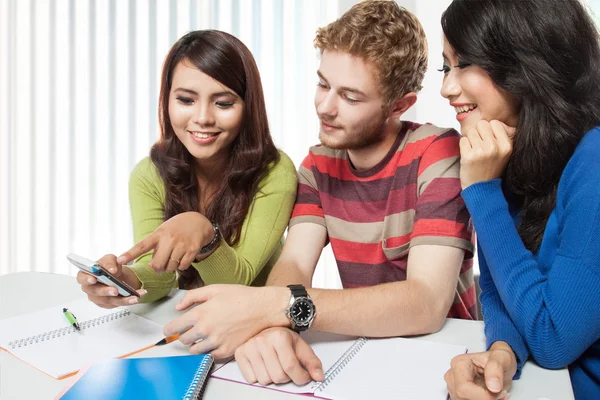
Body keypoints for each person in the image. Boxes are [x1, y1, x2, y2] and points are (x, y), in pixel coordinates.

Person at [159, 0, 475, 385]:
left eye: (350, 97)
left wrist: (277, 307)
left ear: (400, 105)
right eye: (323, 84)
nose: (325, 107)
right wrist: (270, 323)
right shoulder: (317, 164)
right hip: (368, 353)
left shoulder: (437, 153)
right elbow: (294, 263)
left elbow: (425, 304)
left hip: (447, 358)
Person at [439, 1, 600, 399]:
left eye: (465, 64)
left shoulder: (595, 159)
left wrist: (481, 193)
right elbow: (498, 290)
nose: (446, 87)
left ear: (525, 62)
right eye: (445, 66)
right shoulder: (511, 148)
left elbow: (552, 337)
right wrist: (503, 350)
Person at [76, 30, 297, 307]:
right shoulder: (149, 175)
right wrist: (124, 280)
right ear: (167, 100)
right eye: (186, 100)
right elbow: (159, 275)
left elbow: (241, 282)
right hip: (191, 322)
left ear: (248, 107)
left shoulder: (275, 172)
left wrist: (205, 234)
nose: (203, 118)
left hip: (258, 325)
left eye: (224, 103)